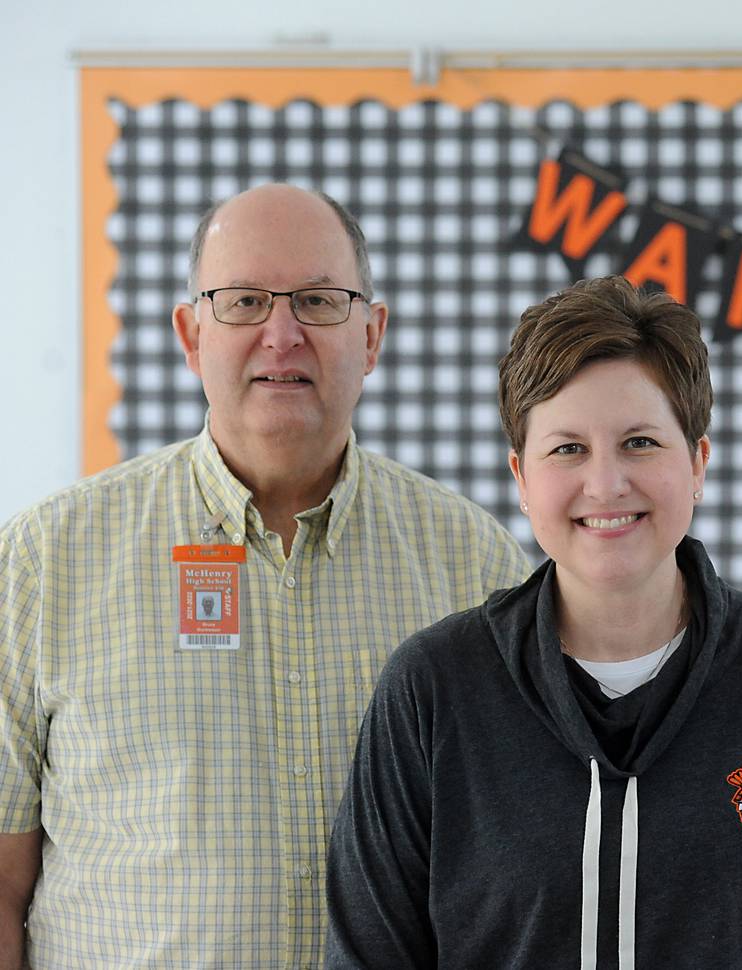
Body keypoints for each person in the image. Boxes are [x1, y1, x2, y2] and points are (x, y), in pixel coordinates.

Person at [0, 184, 531, 969]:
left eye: (319, 301)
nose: (281, 335)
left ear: (372, 335)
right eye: (244, 301)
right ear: (191, 334)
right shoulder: (47, 558)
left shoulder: (475, 568)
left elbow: (520, 871)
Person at [325, 276, 742, 969]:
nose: (605, 484)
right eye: (568, 449)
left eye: (640, 442)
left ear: (698, 464)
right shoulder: (434, 688)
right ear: (521, 479)